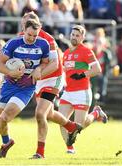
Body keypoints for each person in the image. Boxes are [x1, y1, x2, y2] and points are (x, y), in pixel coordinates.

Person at [0, 19, 52, 159]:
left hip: (26, 88)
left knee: (5, 117)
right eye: (29, 34)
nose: (31, 38)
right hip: (9, 85)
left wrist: (39, 69)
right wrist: (10, 72)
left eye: (35, 36)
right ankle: (6, 142)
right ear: (24, 30)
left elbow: (45, 62)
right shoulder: (14, 43)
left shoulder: (44, 44)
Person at [20, 12, 82, 159]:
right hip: (39, 80)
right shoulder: (22, 37)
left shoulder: (48, 39)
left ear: (38, 25)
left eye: (28, 23)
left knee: (40, 114)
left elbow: (54, 64)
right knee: (48, 113)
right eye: (24, 23)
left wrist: (38, 71)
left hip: (54, 78)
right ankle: (71, 126)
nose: (25, 27)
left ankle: (40, 153)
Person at [58, 25, 108, 154]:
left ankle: (96, 113)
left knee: (78, 126)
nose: (74, 37)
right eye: (73, 35)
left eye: (77, 35)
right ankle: (70, 148)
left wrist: (82, 74)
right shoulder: (67, 53)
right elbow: (65, 72)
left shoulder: (86, 51)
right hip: (68, 92)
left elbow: (97, 69)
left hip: (82, 92)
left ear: (82, 37)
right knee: (62, 121)